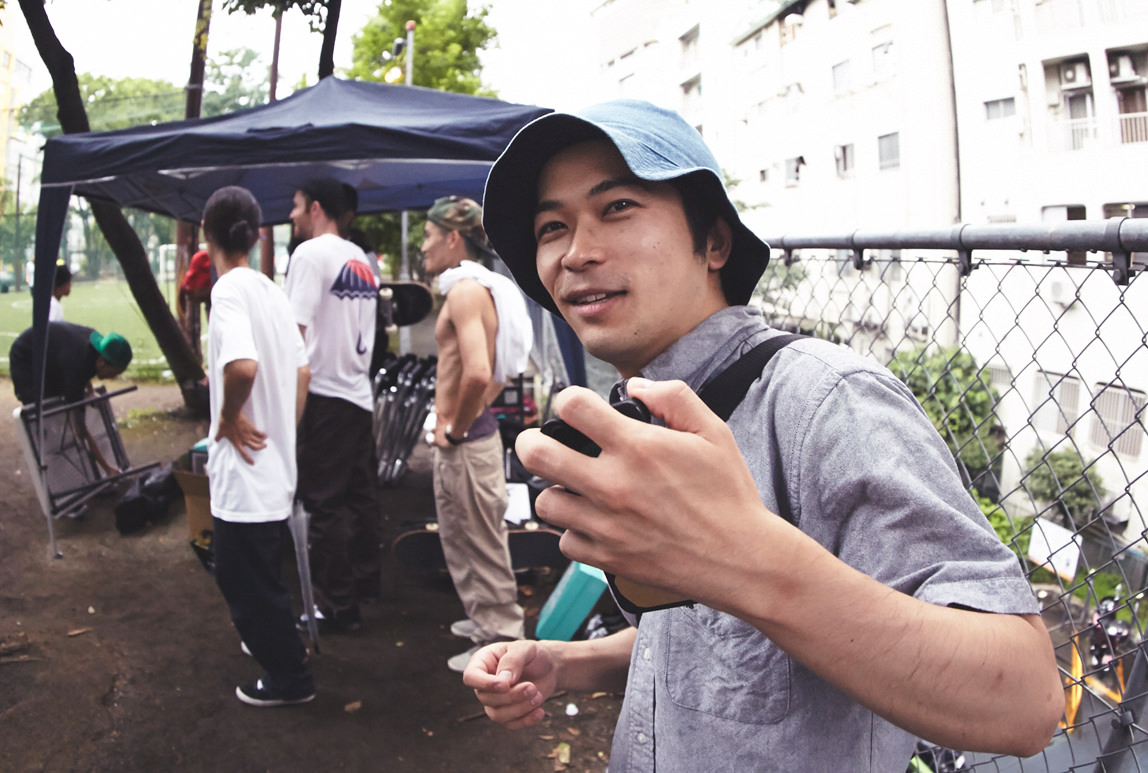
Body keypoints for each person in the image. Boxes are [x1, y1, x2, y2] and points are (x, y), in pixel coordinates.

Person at [462, 100, 1063, 769]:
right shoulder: (640, 412)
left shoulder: (827, 400)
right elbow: (717, 645)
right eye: (552, 226)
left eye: (619, 207)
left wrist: (743, 560)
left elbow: (1026, 699)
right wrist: (568, 662)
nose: (576, 252)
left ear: (715, 243)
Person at [202, 185, 315, 707]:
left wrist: (228, 417)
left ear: (207, 234)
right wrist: (284, 428)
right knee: (260, 573)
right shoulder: (271, 290)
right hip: (274, 463)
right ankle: (273, 645)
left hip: (246, 468)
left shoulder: (227, 290)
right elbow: (302, 371)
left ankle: (289, 677)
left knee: (242, 577)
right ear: (254, 235)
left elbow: (242, 366)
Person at [420, 195, 534, 673]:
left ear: (453, 238)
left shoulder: (467, 291)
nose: (423, 246)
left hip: (466, 443)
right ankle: (481, 617)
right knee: (462, 538)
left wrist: (455, 430)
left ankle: (501, 639)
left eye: (429, 236)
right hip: (466, 437)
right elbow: (499, 373)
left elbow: (479, 372)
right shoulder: (475, 288)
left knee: (480, 543)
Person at [284, 178, 380, 632]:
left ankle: (337, 606)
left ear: (316, 208)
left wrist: (287, 404)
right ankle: (364, 582)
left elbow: (294, 334)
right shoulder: (358, 257)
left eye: (296, 205)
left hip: (324, 394)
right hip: (358, 393)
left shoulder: (309, 255)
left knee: (323, 504)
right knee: (359, 497)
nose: (291, 215)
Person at [9, 321, 132, 476]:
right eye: (113, 373)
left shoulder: (96, 350)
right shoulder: (76, 368)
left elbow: (86, 368)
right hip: (26, 360)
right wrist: (108, 469)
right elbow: (81, 431)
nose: (113, 378)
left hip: (52, 353)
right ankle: (52, 468)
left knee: (65, 403)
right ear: (102, 363)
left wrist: (91, 392)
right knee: (49, 412)